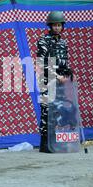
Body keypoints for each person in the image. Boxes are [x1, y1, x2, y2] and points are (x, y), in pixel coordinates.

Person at [36, 11, 74, 153]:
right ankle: (44, 144)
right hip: (47, 80)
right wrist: (56, 76)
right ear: (50, 26)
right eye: (54, 25)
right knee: (47, 111)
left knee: (58, 111)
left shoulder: (63, 42)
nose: (57, 28)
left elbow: (64, 61)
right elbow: (42, 63)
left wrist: (69, 72)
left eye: (59, 25)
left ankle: (55, 142)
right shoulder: (43, 41)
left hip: (61, 81)